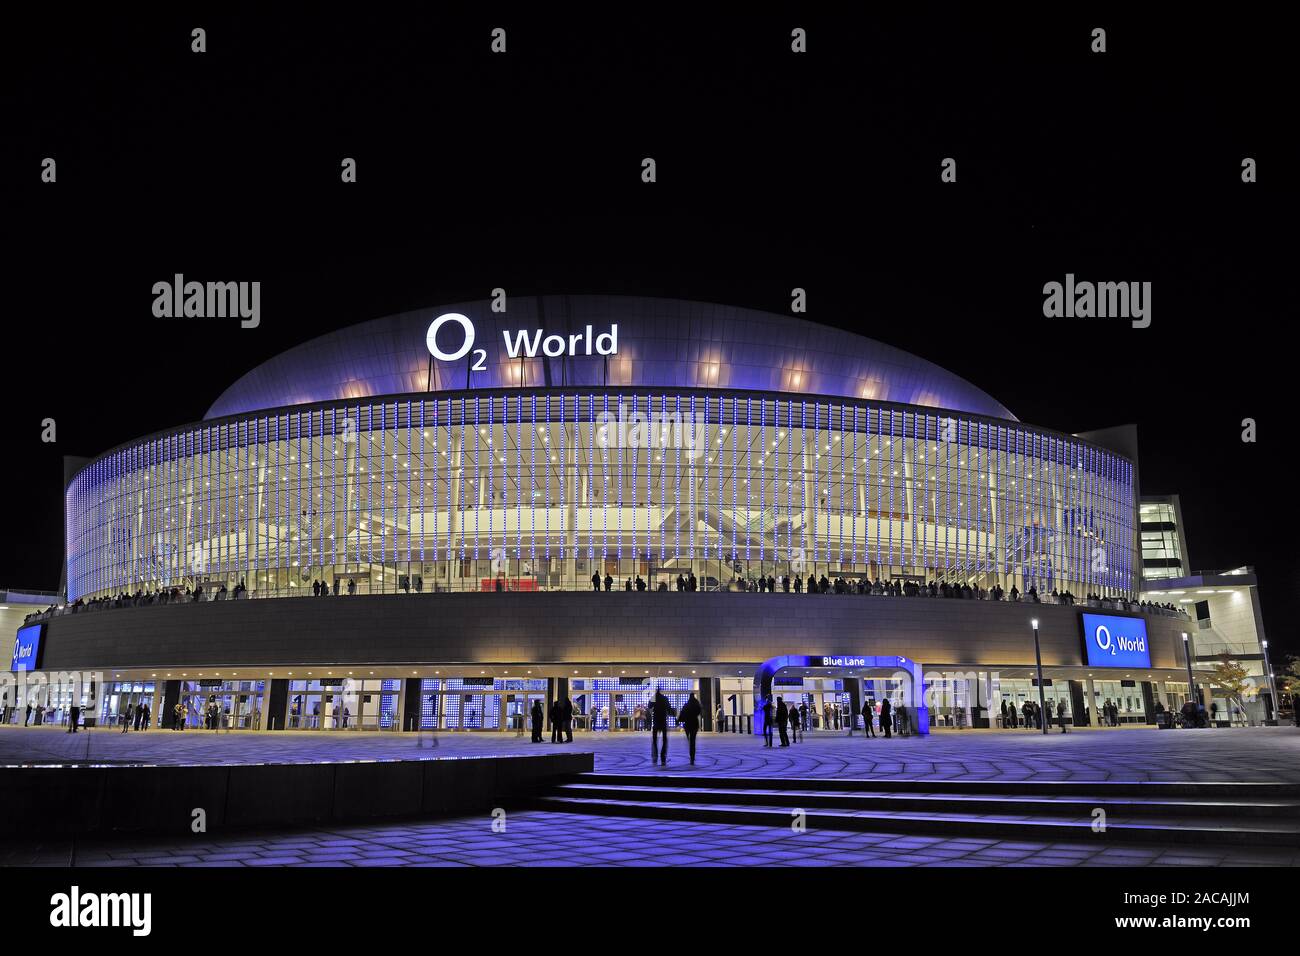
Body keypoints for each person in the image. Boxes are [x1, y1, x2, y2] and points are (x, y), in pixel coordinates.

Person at [678, 692, 702, 764]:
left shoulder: (686, 705)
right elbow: (699, 711)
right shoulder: (696, 705)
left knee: (690, 740)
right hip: (694, 724)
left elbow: (682, 714)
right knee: (693, 740)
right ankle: (692, 756)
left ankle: (691, 754)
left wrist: (679, 720)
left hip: (688, 724)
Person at [650, 690, 671, 765]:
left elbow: (649, 706)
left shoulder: (654, 698)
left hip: (656, 721)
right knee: (664, 740)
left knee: (655, 740)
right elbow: (669, 708)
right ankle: (663, 757)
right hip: (663, 721)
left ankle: (655, 756)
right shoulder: (664, 698)